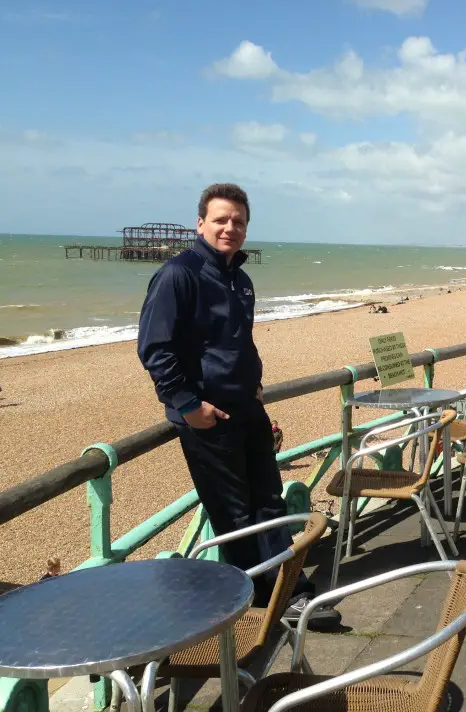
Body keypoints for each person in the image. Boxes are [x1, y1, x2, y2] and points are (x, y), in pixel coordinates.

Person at [137, 183, 328, 625]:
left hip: (248, 409)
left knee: (269, 502)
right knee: (235, 514)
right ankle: (260, 603)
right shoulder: (177, 275)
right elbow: (154, 348)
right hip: (209, 418)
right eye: (221, 219)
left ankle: (284, 591)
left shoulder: (240, 279)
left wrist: (256, 384)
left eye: (238, 221)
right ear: (200, 223)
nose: (230, 228)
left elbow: (241, 342)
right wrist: (188, 406)